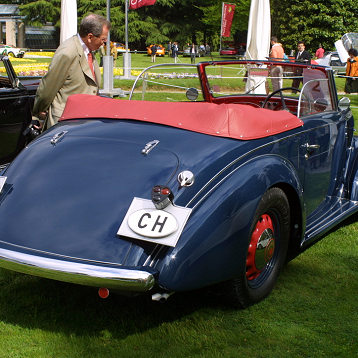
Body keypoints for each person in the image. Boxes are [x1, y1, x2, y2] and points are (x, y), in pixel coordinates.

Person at [32, 13, 110, 129]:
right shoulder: (68, 52)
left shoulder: (88, 51)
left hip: (84, 120)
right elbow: (48, 87)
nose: (104, 43)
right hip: (65, 123)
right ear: (90, 37)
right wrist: (38, 114)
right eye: (103, 39)